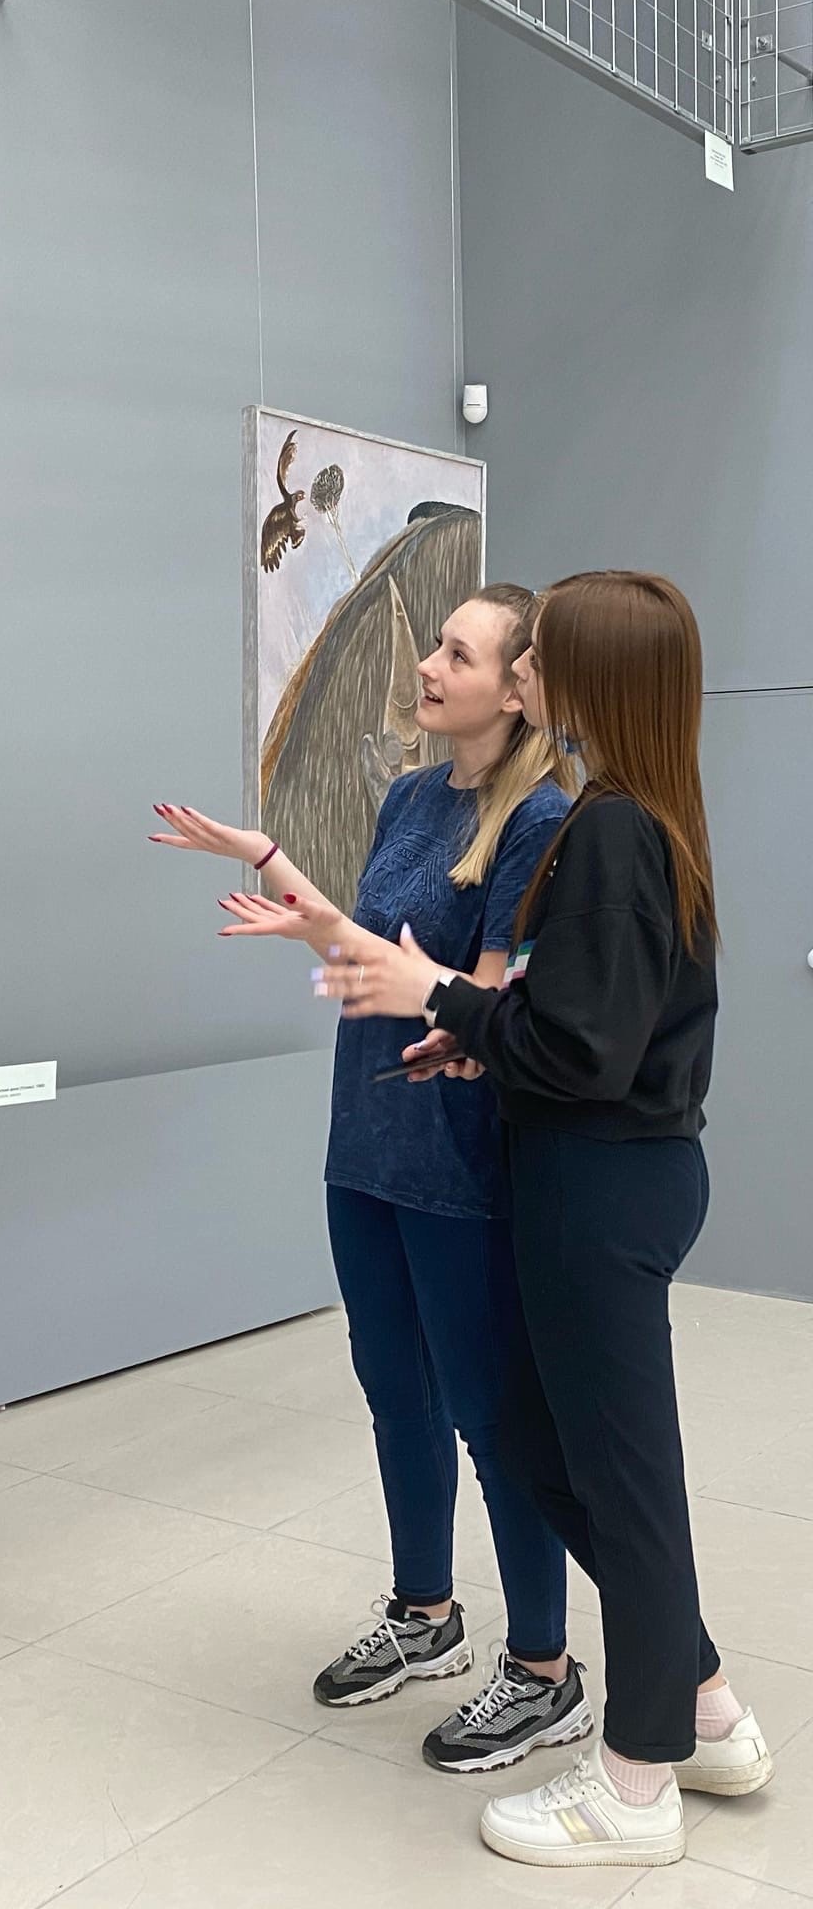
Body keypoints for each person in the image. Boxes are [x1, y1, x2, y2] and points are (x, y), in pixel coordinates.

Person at [301, 571, 772, 1869]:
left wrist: (439, 996)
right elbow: (585, 1030)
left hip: (602, 1188)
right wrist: (482, 1035)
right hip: (600, 1176)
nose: (518, 675)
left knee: (624, 1488)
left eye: (535, 656)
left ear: (589, 676)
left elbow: (580, 1052)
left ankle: (637, 1784)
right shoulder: (636, 815)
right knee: (539, 1440)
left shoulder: (607, 830)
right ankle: (705, 1707)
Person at [154, 584, 586, 1775]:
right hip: (365, 1140)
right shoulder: (408, 796)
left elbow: (481, 1003)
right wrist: (272, 869)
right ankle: (424, 1612)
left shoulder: (541, 819)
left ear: (517, 688)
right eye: (437, 645)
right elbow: (366, 947)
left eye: (460, 653)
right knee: (395, 1390)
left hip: (459, 1156)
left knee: (490, 1416)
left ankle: (544, 1668)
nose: (430, 666)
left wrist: (353, 947)